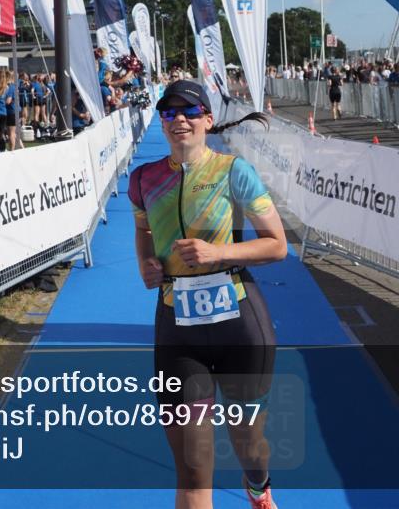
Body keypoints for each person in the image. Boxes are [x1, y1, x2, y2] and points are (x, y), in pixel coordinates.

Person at [128, 80, 287, 509]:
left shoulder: (233, 172)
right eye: (169, 112)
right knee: (194, 470)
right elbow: (143, 228)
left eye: (190, 111)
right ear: (161, 121)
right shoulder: (144, 179)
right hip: (179, 333)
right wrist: (145, 261)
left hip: (239, 326)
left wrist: (218, 251)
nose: (179, 119)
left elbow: (277, 245)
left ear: (207, 119)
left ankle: (258, 486)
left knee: (248, 442)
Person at [6, 70, 23, 151]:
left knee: (11, 133)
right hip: (17, 110)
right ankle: (22, 148)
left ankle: (12, 150)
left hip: (12, 112)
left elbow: (8, 101)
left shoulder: (11, 87)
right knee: (14, 133)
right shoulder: (15, 87)